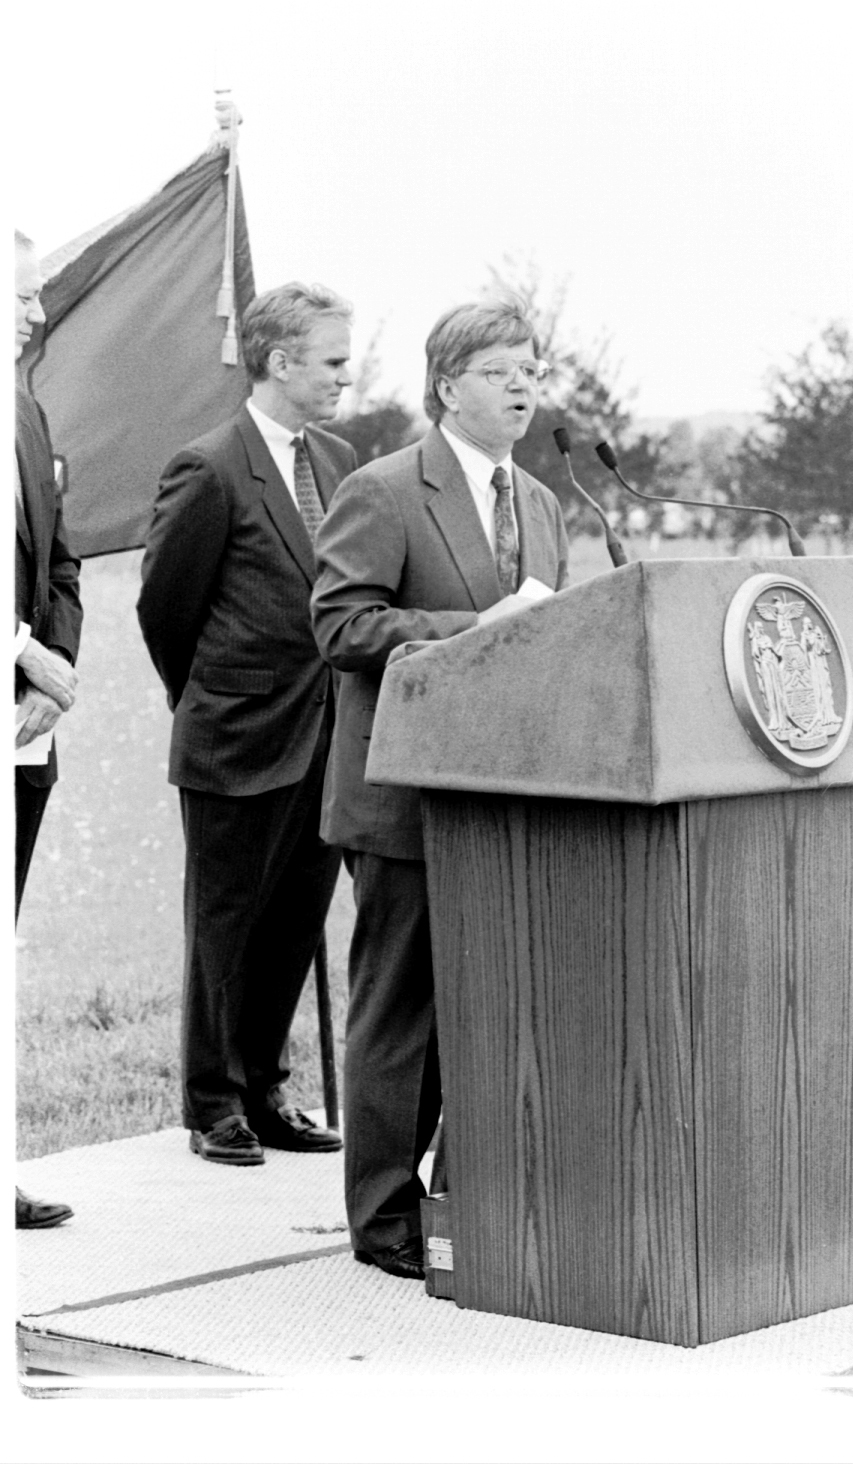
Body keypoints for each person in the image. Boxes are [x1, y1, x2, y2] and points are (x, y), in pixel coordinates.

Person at [311, 295, 569, 1279]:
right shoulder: (384, 490)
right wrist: (466, 629)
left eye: (533, 372)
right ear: (447, 383)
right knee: (400, 1011)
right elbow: (339, 628)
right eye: (501, 371)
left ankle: (465, 1201)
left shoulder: (541, 504)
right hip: (404, 796)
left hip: (508, 801)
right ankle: (383, 1223)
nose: (522, 389)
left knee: (488, 1014)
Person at [137, 282, 357, 1166]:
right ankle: (212, 1103)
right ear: (278, 362)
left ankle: (265, 1091)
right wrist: (213, 701)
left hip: (329, 738)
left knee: (296, 923)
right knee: (224, 926)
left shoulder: (338, 462)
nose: (347, 374)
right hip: (236, 738)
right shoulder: (210, 466)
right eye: (334, 360)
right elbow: (166, 610)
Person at [14, 230, 83, 1229]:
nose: (34, 313)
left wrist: (52, 677)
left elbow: (60, 559)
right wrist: (21, 650)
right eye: (19, 294)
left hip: (23, 735)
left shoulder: (24, 412)